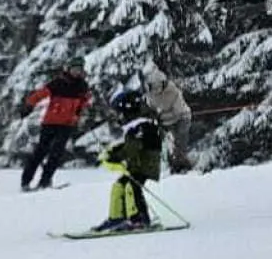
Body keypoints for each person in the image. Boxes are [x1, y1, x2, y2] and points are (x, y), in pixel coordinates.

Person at [93, 88, 164, 232]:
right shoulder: (134, 126)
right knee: (119, 186)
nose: (118, 116)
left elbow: (133, 148)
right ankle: (117, 218)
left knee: (132, 187)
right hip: (136, 164)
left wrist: (116, 156)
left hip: (145, 165)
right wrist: (112, 152)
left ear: (128, 109)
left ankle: (139, 219)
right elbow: (127, 146)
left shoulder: (142, 126)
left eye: (119, 111)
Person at [19, 63, 92, 191]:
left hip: (67, 124)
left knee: (56, 154)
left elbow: (83, 103)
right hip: (50, 122)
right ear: (68, 69)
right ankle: (25, 181)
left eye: (79, 70)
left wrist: (79, 113)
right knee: (40, 152)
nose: (76, 72)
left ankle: (45, 182)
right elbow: (40, 94)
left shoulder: (82, 86)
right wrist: (29, 105)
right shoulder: (58, 83)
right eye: (74, 69)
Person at [142, 64, 193, 172]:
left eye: (157, 86)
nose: (155, 90)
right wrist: (152, 115)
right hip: (165, 122)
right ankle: (171, 163)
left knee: (180, 141)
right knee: (166, 143)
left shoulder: (173, 91)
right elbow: (151, 108)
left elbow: (177, 111)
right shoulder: (150, 94)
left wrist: (161, 116)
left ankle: (183, 165)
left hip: (182, 118)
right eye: (152, 87)